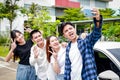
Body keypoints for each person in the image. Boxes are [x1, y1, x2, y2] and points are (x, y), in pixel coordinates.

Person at [59, 8, 103, 80]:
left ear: (74, 29)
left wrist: (97, 19)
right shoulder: (68, 48)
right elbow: (67, 68)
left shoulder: (85, 40)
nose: (69, 31)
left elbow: (96, 33)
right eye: (66, 31)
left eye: (70, 28)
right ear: (64, 35)